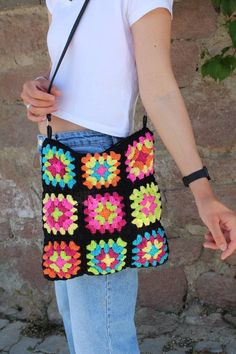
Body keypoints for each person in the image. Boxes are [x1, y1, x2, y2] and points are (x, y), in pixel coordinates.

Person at [20, 1, 236, 353]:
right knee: (80, 328)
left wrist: (203, 193)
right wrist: (38, 90)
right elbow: (77, 70)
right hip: (56, 157)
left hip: (98, 164)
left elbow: (160, 90)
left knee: (101, 339)